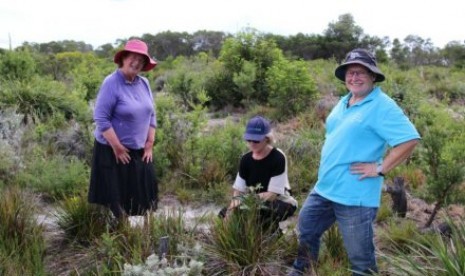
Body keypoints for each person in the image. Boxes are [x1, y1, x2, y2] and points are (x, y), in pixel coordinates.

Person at [289, 49, 420, 275]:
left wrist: (380, 168)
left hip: (355, 195)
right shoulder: (345, 100)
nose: (354, 77)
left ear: (372, 76)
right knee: (307, 228)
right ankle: (302, 270)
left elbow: (409, 139)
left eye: (360, 72)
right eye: (350, 72)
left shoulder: (382, 105)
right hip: (326, 187)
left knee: (360, 259)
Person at [88, 39, 158, 220]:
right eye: (133, 57)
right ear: (124, 58)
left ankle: (138, 233)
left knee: (142, 195)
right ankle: (120, 233)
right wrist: (117, 148)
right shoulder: (111, 83)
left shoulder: (144, 83)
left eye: (141, 60)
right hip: (111, 150)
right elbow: (101, 119)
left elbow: (152, 114)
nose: (137, 62)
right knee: (115, 199)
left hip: (139, 149)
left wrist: (149, 144)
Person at [219, 116, 297, 232]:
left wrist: (246, 200)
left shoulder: (278, 157)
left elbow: (272, 195)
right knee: (224, 214)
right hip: (252, 200)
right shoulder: (245, 159)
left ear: (267, 138)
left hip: (281, 200)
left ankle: (274, 237)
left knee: (263, 213)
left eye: (256, 140)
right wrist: (232, 208)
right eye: (249, 140)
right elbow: (238, 190)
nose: (252, 143)